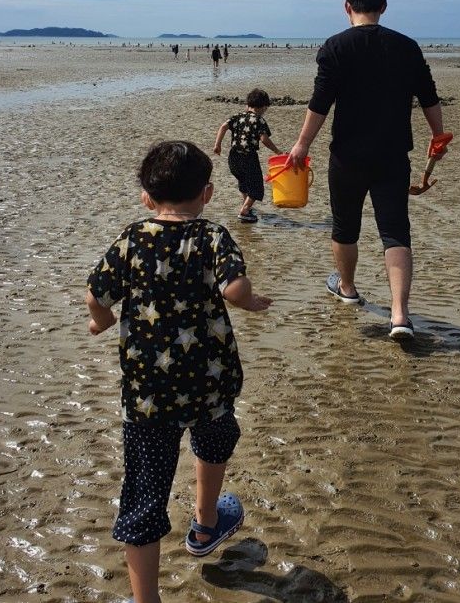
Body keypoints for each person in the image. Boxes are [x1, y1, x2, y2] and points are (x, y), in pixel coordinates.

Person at [85, 141, 272, 603]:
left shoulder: (131, 238)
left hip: (149, 394)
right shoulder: (213, 237)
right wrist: (249, 300)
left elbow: (96, 293)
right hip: (210, 383)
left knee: (145, 493)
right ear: (207, 194)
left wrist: (101, 321)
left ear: (147, 198)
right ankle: (206, 525)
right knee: (213, 439)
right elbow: (234, 288)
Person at [286, 0, 447, 339]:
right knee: (395, 232)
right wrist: (438, 136)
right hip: (392, 155)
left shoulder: (335, 47)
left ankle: (347, 289)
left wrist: (301, 145)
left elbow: (320, 102)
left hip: (347, 155)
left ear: (347, 7)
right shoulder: (407, 47)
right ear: (384, 7)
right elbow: (429, 97)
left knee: (345, 227)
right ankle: (400, 315)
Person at [213, 89, 281, 223]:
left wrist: (218, 145)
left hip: (233, 157)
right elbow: (264, 139)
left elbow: (223, 127)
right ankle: (244, 211)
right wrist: (277, 152)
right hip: (248, 156)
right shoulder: (259, 120)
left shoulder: (237, 116)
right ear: (263, 106)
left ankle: (246, 205)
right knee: (256, 186)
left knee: (243, 181)